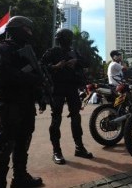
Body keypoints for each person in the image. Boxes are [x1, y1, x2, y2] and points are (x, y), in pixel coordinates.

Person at [0, 16, 43, 188]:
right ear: (17, 29)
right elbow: (6, 73)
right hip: (10, 103)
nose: (30, 33)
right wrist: (32, 78)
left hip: (26, 103)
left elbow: (34, 77)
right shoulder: (3, 48)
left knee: (23, 140)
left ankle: (20, 177)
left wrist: (40, 95)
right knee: (6, 144)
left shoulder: (27, 51)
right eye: (27, 29)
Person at [41, 29, 93, 165]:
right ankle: (56, 151)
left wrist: (76, 61)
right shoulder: (52, 52)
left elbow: (87, 62)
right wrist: (55, 67)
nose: (67, 41)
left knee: (76, 117)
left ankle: (79, 147)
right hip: (57, 88)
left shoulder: (74, 52)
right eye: (65, 38)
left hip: (72, 88)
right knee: (56, 119)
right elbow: (41, 66)